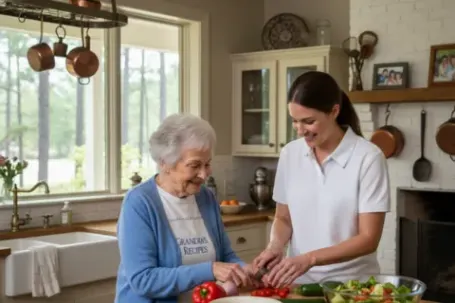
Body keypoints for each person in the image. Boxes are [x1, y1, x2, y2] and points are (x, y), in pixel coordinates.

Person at [252, 71, 390, 288]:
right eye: (295, 121)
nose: (300, 130)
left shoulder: (368, 158)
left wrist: (310, 259)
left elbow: (368, 239)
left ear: (334, 111)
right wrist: (275, 246)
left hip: (352, 288)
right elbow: (284, 218)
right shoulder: (290, 154)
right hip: (299, 285)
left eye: (308, 121)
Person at [115, 113, 254, 303]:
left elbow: (226, 255)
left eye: (207, 164)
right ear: (165, 163)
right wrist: (210, 270)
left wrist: (242, 270)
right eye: (194, 165)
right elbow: (143, 280)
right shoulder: (139, 203)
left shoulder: (206, 197)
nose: (204, 175)